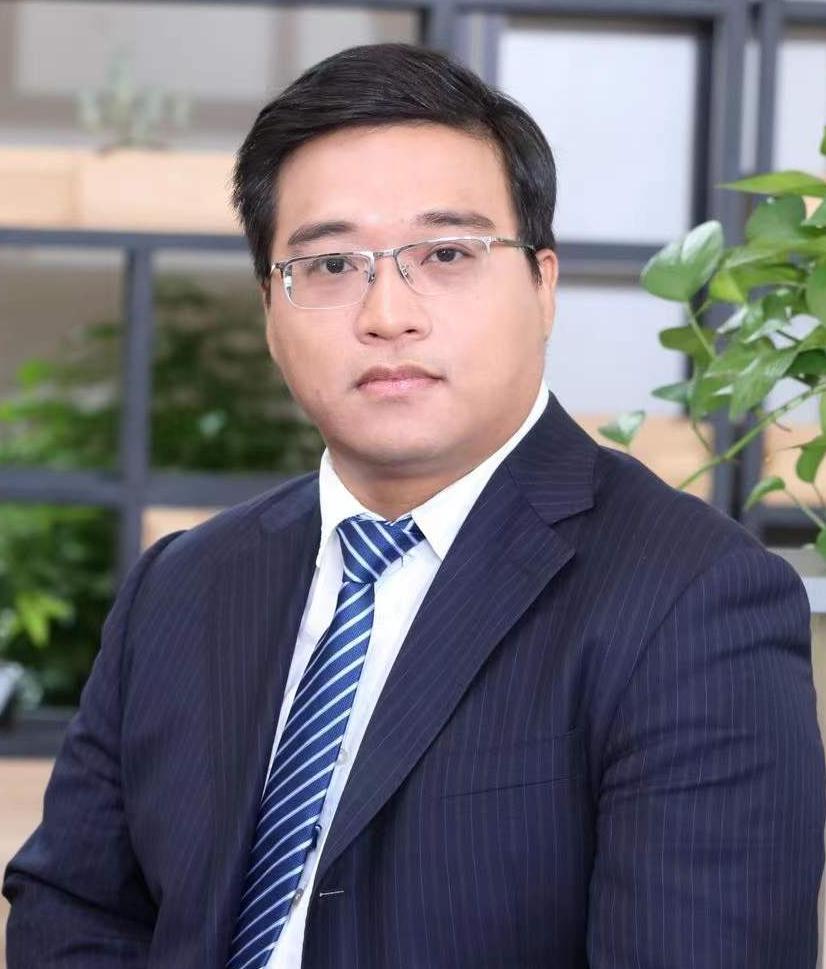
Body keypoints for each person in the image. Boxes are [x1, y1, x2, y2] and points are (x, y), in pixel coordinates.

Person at [3, 41, 824, 969]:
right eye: (330, 265)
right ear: (269, 311)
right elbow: (74, 911)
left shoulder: (696, 599)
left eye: (446, 253)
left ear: (543, 286)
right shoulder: (180, 586)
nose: (388, 313)